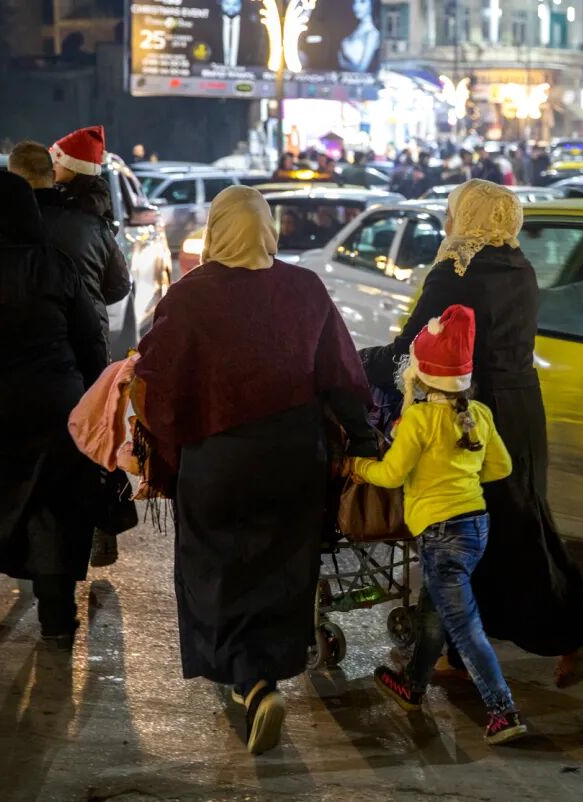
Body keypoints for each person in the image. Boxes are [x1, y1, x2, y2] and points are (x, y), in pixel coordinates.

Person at [132, 186, 376, 755]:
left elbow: (157, 383)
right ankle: (262, 672)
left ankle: (251, 681)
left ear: (218, 231)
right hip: (294, 459)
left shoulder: (190, 297)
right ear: (268, 230)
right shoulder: (304, 288)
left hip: (218, 461)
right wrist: (364, 439)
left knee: (215, 567)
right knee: (281, 569)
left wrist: (164, 442)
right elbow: (340, 375)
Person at [360, 180, 583, 688]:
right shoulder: (520, 267)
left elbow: (412, 349)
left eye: (453, 212)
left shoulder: (455, 273)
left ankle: (556, 632)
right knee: (522, 519)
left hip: (471, 412)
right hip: (523, 409)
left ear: (468, 217)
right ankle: (464, 652)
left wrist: (361, 363)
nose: (447, 221)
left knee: (470, 528)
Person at [0, 172, 106, 646]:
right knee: (54, 506)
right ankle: (57, 619)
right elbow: (90, 340)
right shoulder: (58, 264)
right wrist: (93, 396)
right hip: (56, 404)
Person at [356, 305, 528, 745]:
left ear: (421, 374)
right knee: (435, 610)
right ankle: (412, 686)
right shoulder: (479, 414)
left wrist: (358, 467)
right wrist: (459, 473)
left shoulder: (418, 420)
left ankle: (502, 711)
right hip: (475, 527)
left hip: (440, 533)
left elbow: (390, 475)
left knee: (464, 627)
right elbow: (501, 467)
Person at [9, 141, 135, 568]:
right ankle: (103, 524)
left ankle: (34, 534)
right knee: (94, 432)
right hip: (88, 344)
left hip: (36, 343)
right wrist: (90, 294)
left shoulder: (26, 221)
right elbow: (120, 285)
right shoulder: (94, 224)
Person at [339, 0, 381, 72]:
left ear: (371, 5)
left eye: (362, 1)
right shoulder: (354, 28)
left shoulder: (372, 34)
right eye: (354, 2)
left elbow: (361, 69)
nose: (356, 6)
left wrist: (344, 64)